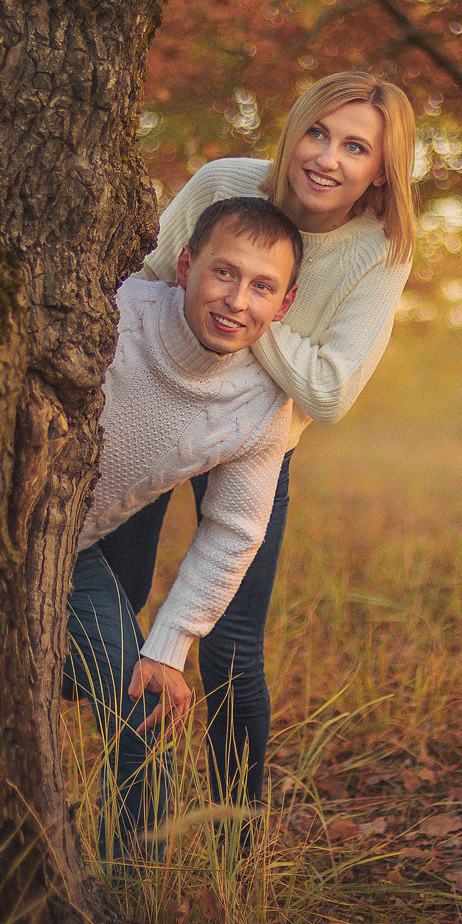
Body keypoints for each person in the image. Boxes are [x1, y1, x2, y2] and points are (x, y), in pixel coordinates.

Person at [99, 71, 416, 809]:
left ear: (381, 171)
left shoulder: (381, 250)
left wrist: (245, 313)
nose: (326, 158)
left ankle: (234, 831)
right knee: (117, 603)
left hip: (254, 435)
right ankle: (128, 801)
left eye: (355, 147)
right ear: (293, 130)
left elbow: (329, 390)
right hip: (158, 407)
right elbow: (152, 280)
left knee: (233, 646)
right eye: (316, 132)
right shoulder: (223, 184)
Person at [65, 196, 302, 864]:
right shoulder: (115, 312)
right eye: (224, 273)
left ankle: (129, 890)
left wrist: (169, 645)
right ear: (186, 264)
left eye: (262, 287)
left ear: (284, 304)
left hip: (69, 556)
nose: (237, 301)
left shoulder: (262, 404)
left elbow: (234, 531)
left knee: (144, 712)